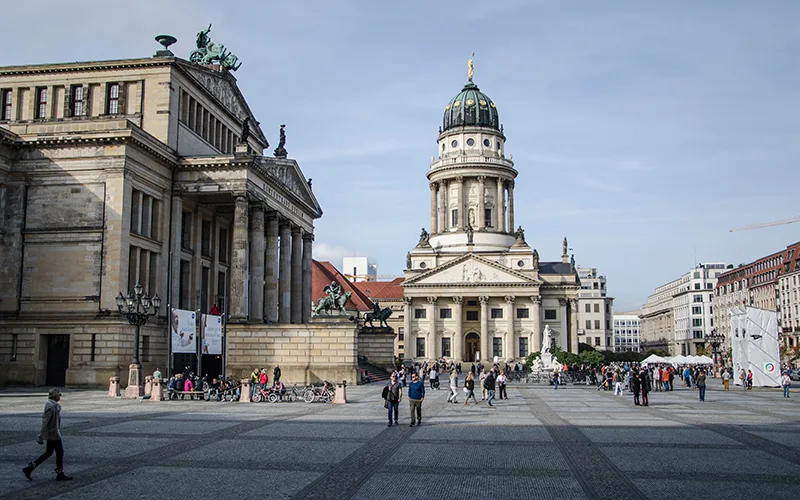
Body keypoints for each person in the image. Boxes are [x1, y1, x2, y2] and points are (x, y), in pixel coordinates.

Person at [22, 388, 72, 481]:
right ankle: (59, 473)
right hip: (53, 434)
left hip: (54, 433)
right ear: (54, 396)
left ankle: (30, 468)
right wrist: (41, 436)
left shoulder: (54, 405)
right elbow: (45, 422)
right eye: (58, 395)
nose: (59, 397)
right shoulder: (50, 406)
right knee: (59, 452)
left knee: (49, 453)